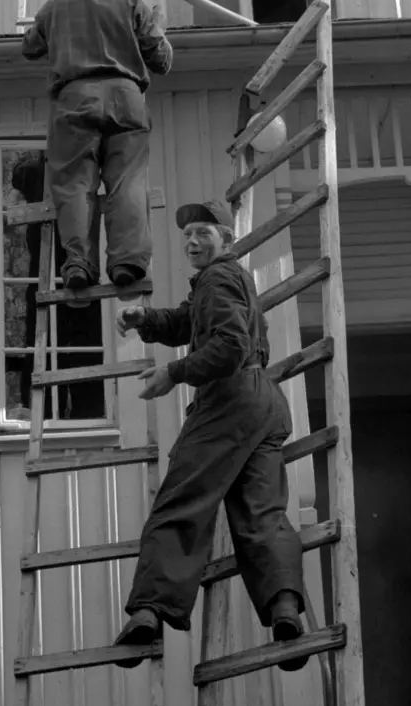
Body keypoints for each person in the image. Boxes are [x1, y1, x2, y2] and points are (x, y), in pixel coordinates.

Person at [111, 199, 309, 672]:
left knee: (181, 504)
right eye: (187, 236)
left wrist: (174, 373)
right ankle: (284, 606)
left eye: (203, 233)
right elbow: (189, 321)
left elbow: (228, 347)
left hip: (229, 400)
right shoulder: (225, 280)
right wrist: (147, 319)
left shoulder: (218, 279)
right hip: (264, 402)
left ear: (226, 239)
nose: (192, 242)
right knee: (262, 513)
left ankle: (150, 611)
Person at [22, 0, 172, 294]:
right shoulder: (130, 3)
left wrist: (58, 24)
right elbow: (162, 60)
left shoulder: (57, 5)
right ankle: (128, 262)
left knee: (74, 184)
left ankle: (78, 264)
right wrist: (158, 27)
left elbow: (29, 47)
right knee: (128, 182)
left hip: (75, 99)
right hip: (127, 99)